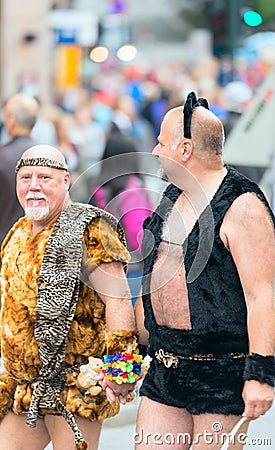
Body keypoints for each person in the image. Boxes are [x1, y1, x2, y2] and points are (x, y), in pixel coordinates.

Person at [135, 92, 275, 449]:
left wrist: (261, 373)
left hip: (220, 372)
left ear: (185, 150)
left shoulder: (242, 205)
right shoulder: (172, 196)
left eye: (160, 143)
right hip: (166, 368)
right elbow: (156, 277)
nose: (154, 151)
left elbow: (264, 294)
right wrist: (131, 354)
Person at [0, 144, 140, 450]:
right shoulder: (17, 233)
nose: (33, 185)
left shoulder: (92, 228)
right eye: (25, 177)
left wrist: (121, 367)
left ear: (66, 181)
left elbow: (118, 300)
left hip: (77, 384)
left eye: (44, 177)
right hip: (23, 386)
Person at [90, 122, 154, 307]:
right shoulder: (132, 189)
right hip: (134, 270)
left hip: (105, 269)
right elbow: (138, 235)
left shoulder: (98, 189)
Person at [0, 93, 39, 248]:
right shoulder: (52, 156)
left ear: (12, 120)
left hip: (6, 243)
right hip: (40, 244)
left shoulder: (3, 156)